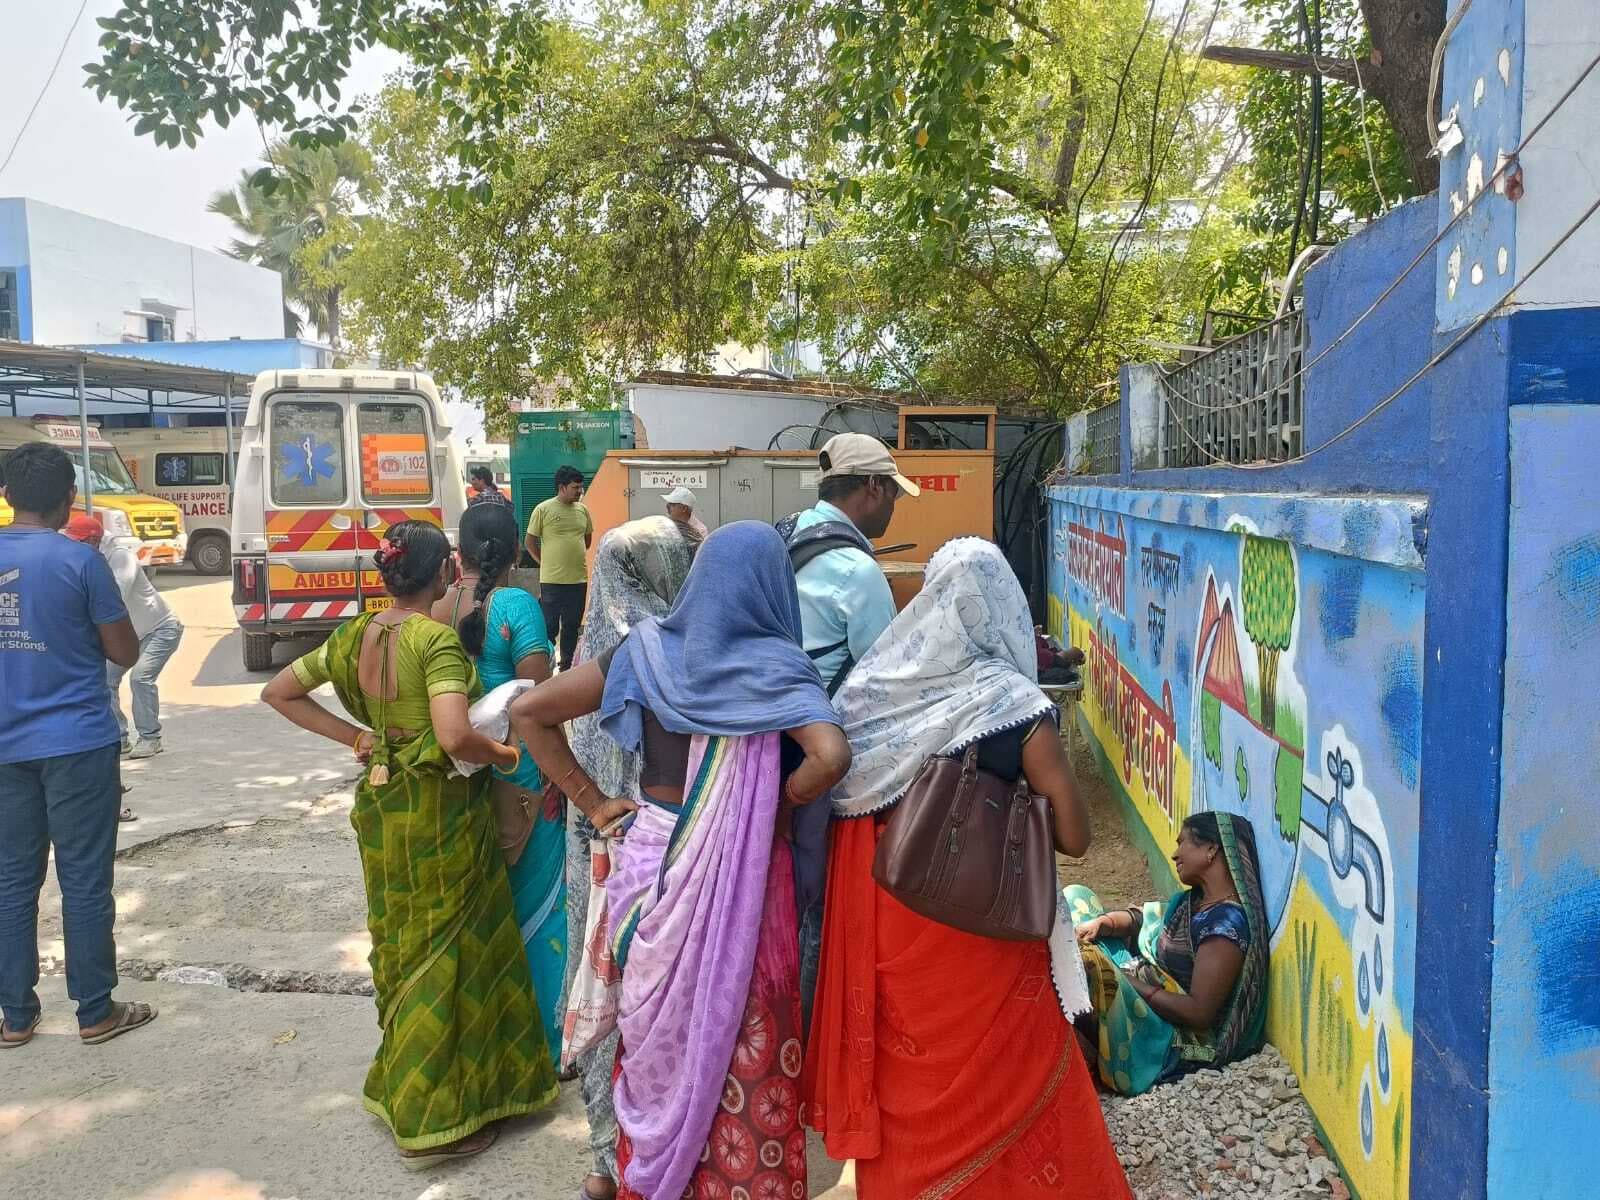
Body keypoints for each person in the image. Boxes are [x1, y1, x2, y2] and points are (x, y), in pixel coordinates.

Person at [511, 522, 851, 1200]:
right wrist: (778, 804)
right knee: (746, 1040)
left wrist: (593, 801)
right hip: (746, 882)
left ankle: (652, 1177)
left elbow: (529, 712)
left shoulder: (645, 651)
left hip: (650, 876)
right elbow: (832, 756)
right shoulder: (777, 668)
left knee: (656, 1045)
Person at [803, 537, 1130, 1199]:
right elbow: (1075, 837)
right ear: (1003, 603)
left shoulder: (869, 693)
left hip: (890, 919)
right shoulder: (1013, 704)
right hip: (985, 925)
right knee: (1016, 1074)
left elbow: (840, 806)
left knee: (907, 1078)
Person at [261, 519, 558, 1168]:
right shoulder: (434, 643)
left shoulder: (354, 634)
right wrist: (504, 755)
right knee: (448, 955)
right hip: (439, 813)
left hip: (382, 809)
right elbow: (453, 736)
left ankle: (410, 1088)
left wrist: (358, 738)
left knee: (401, 945)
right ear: (444, 572)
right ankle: (436, 1119)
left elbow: (278, 691)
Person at [557, 515, 698, 1200]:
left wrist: (587, 801)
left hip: (594, 848)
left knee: (598, 986)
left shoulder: (592, 647)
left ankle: (601, 1159)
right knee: (654, 1002)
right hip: (653, 850)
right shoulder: (668, 647)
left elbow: (540, 719)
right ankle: (654, 1152)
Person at [0, 442, 156, 1049]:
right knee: (84, 879)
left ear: (7, 496)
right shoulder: (81, 562)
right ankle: (95, 1010)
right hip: (78, 743)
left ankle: (15, 1017)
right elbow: (124, 651)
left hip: (5, 748)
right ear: (69, 499)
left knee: (12, 882)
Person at [775, 431, 920, 1035]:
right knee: (813, 902)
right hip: (817, 756)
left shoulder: (785, 535)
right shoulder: (856, 571)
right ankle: (811, 1038)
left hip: (760, 745)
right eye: (894, 495)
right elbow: (887, 681)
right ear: (873, 488)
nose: (895, 508)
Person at [430, 503, 565, 1059]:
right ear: (515, 552)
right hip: (520, 769)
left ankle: (483, 1036)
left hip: (456, 773)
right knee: (539, 901)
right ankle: (544, 1043)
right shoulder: (515, 605)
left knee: (481, 902)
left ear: (457, 554)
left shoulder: (434, 606)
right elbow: (537, 702)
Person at [1067, 811, 1268, 1096]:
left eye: (1182, 842)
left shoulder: (1224, 926)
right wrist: (1102, 923)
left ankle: (1096, 1049)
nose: (1174, 854)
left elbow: (1198, 1013)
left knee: (1086, 962)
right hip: (1141, 983)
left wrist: (1130, 985)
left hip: (1167, 1032)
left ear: (1211, 849)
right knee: (1076, 897)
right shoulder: (1194, 901)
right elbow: (1141, 920)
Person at [64, 512, 184, 759]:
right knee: (105, 680)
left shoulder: (121, 557)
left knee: (140, 678)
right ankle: (119, 737)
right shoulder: (85, 559)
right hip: (132, 634)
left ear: (93, 540)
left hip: (160, 628)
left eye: (78, 542)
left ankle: (150, 738)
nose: (73, 548)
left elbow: (113, 597)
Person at [525, 464, 593, 672]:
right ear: (562, 487)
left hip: (578, 580)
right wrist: (543, 562)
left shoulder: (582, 510)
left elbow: (587, 540)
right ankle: (544, 667)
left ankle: (566, 668)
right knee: (549, 627)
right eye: (575, 487)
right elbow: (530, 542)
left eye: (581, 487)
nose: (579, 491)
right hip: (551, 581)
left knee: (572, 626)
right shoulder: (543, 509)